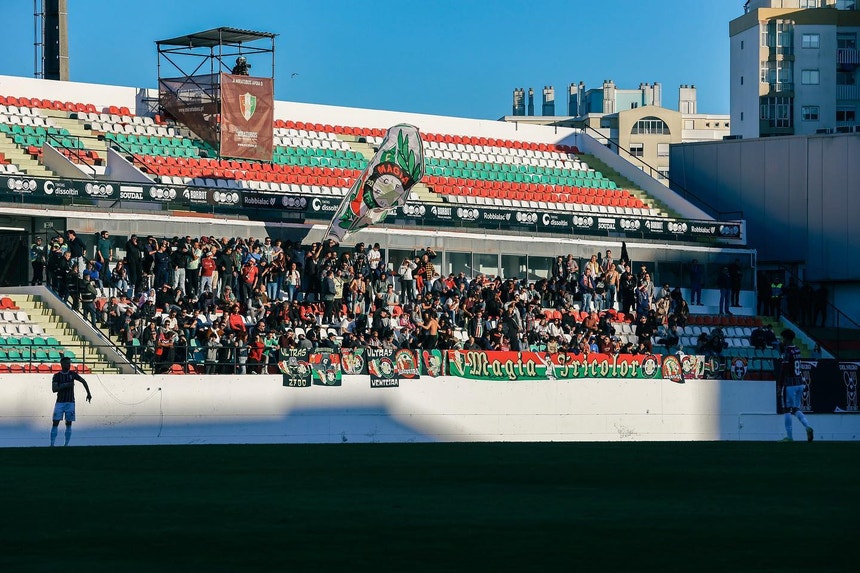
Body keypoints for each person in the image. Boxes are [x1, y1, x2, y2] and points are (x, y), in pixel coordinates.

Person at [778, 329, 813, 442]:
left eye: (783, 338)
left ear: (787, 339)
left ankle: (789, 436)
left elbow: (784, 370)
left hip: (790, 384)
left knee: (787, 410)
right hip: (800, 383)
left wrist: (780, 385)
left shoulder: (787, 353)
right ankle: (807, 427)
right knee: (796, 409)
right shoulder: (797, 349)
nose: (782, 340)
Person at [50, 356, 92, 447]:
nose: (69, 365)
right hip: (60, 402)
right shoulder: (57, 376)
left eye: (69, 363)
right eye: (67, 363)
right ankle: (52, 444)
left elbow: (83, 381)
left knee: (68, 423)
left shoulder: (72, 374)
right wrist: (66, 385)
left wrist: (88, 393)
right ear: (62, 364)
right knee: (55, 422)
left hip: (70, 402)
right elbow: (54, 389)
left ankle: (66, 445)